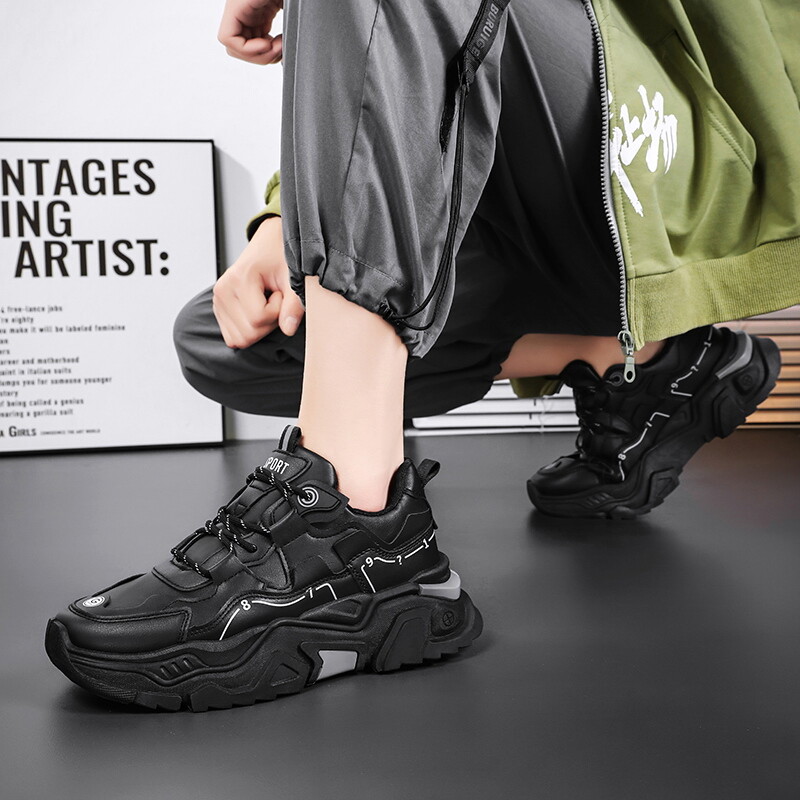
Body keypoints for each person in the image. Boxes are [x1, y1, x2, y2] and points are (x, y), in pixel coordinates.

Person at [46, 0, 799, 710]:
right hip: (504, 187)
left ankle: (357, 523)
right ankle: (643, 361)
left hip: (687, 127)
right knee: (225, 340)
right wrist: (285, 219)